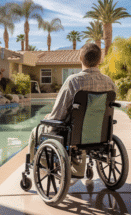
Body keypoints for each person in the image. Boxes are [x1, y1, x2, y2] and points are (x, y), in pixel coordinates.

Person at [28, 43, 117, 177]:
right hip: (99, 134)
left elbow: (59, 112)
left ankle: (39, 165)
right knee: (78, 126)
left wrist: (48, 119)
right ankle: (78, 168)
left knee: (36, 132)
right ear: (100, 60)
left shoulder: (73, 81)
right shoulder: (109, 82)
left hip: (74, 135)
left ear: (80, 58)